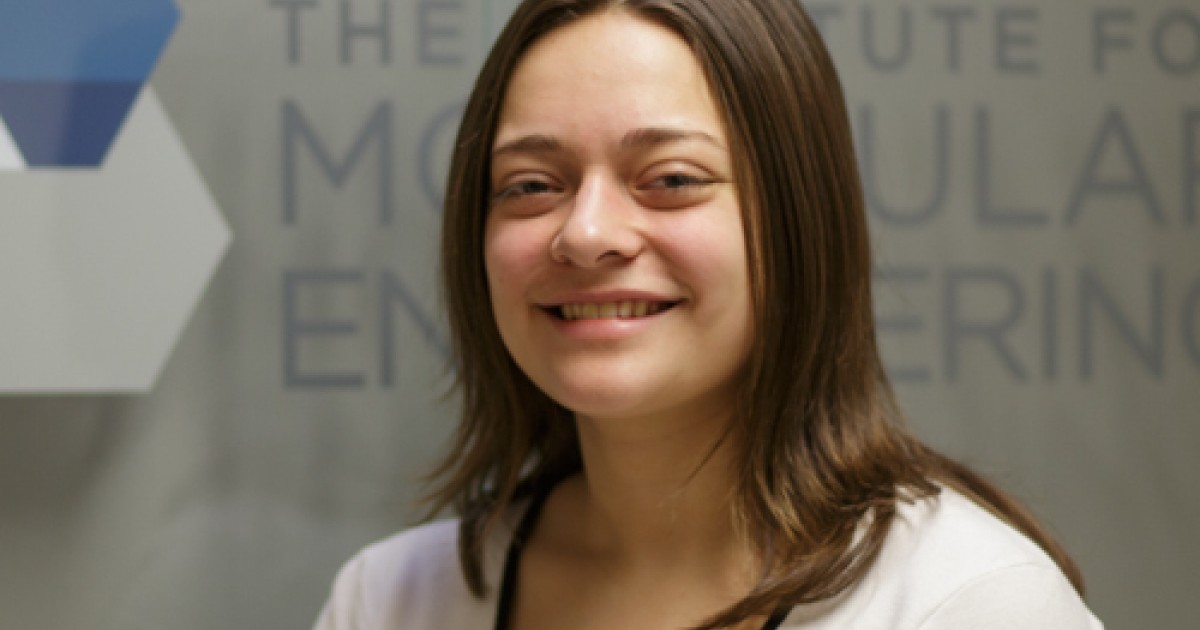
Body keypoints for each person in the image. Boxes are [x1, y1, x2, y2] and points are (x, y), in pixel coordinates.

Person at [314, 1, 1105, 628]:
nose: (584, 233)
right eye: (531, 185)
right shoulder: (387, 604)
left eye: (671, 178)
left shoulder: (971, 604)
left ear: (798, 220)